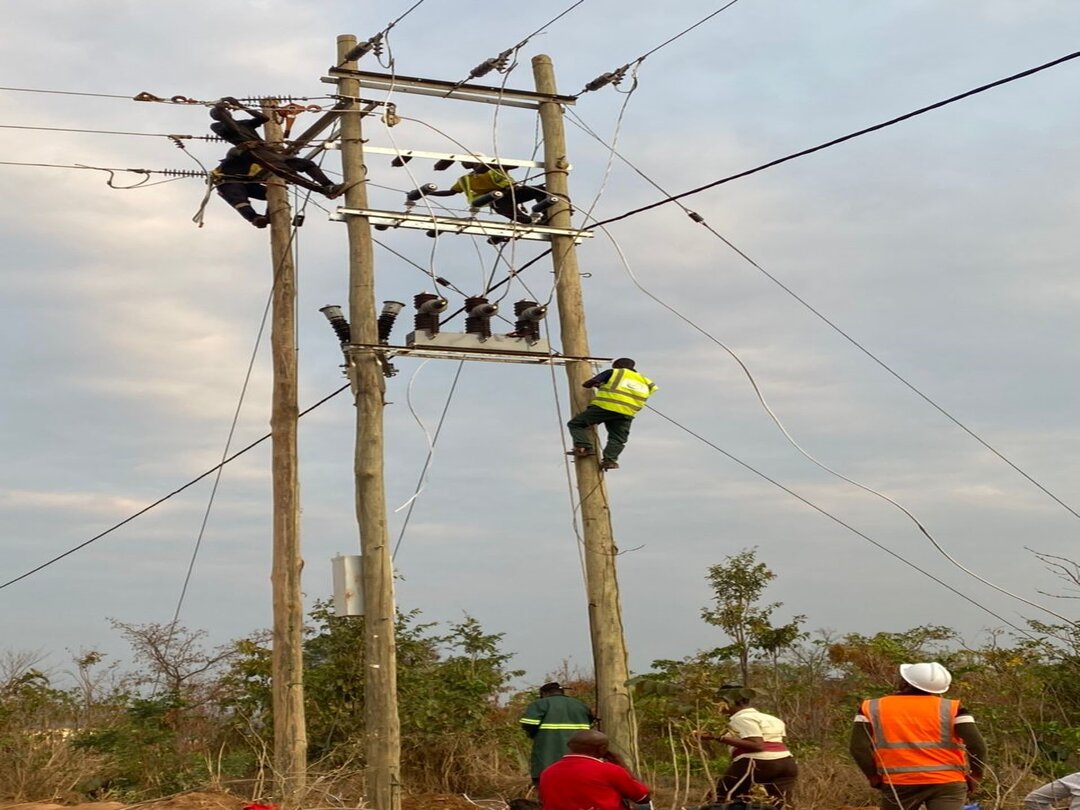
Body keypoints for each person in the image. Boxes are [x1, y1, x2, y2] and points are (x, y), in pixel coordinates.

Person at [850, 662, 988, 810]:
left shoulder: (871, 707)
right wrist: (976, 775)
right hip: (947, 782)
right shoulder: (953, 708)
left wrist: (873, 777)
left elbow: (858, 748)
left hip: (899, 782)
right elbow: (977, 745)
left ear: (905, 683)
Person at [208, 99, 344, 199]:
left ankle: (329, 185)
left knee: (305, 164)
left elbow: (264, 117)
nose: (226, 112)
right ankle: (324, 191)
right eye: (222, 112)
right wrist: (220, 111)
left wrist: (240, 106)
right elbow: (234, 129)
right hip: (251, 152)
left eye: (225, 111)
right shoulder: (217, 126)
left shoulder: (244, 123)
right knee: (285, 172)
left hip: (266, 149)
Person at [697, 685, 798, 808]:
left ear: (730, 702)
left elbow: (757, 745)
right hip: (787, 763)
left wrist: (717, 737)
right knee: (781, 803)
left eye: (720, 702)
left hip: (758, 763)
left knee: (720, 797)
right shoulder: (771, 718)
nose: (718, 707)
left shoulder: (741, 719)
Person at [567, 358, 657, 471]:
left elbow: (589, 384)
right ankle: (609, 461)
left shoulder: (614, 372)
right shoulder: (646, 381)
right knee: (618, 438)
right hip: (626, 412)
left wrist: (596, 385)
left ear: (617, 365)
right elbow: (630, 391)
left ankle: (584, 447)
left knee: (576, 424)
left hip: (606, 407)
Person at [538, 730, 651, 810]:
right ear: (602, 749)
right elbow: (643, 797)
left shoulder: (548, 771)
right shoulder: (609, 770)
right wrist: (622, 764)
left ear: (569, 746)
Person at [520, 682, 595, 785]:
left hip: (548, 757)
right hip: (580, 759)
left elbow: (528, 725)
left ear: (544, 693)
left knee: (548, 786)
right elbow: (590, 722)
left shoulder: (540, 704)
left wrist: (532, 734)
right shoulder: (580, 705)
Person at [425, 163, 551, 223]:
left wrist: (492, 164)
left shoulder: (493, 168)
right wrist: (427, 192)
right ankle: (534, 223)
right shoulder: (465, 179)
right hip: (496, 198)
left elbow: (515, 166)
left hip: (513, 191)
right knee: (511, 212)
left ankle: (549, 214)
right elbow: (451, 192)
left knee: (539, 190)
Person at [209, 147, 270, 228]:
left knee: (273, 193)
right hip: (228, 181)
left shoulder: (263, 163)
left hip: (247, 183)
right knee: (240, 201)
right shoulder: (237, 152)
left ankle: (271, 215)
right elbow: (236, 152)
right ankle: (254, 218)